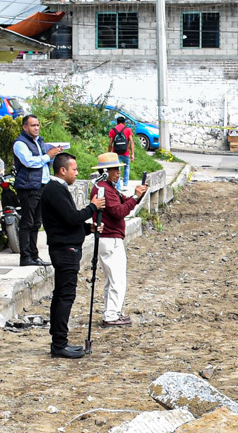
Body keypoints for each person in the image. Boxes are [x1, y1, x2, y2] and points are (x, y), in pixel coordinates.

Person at [40, 152, 99, 358]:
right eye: (74, 169)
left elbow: (66, 222)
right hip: (65, 250)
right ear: (62, 170)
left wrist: (87, 229)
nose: (76, 173)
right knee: (65, 296)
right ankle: (59, 343)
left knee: (61, 295)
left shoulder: (58, 189)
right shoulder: (55, 189)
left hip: (65, 246)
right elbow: (71, 217)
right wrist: (93, 208)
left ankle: (59, 339)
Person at [90, 151, 145, 326]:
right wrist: (135, 197)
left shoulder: (105, 187)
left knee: (111, 279)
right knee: (117, 279)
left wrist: (136, 198)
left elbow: (122, 203)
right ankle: (112, 315)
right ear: (105, 171)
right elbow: (119, 211)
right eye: (115, 170)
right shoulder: (105, 189)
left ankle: (111, 311)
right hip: (111, 238)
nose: (118, 173)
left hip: (107, 237)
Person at [11, 115, 67, 266]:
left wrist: (54, 154)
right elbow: (29, 162)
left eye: (37, 125)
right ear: (25, 127)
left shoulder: (39, 141)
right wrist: (47, 156)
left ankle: (34, 256)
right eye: (32, 125)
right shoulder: (20, 143)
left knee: (37, 223)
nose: (36, 128)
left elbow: (46, 161)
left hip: (41, 186)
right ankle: (25, 257)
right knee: (27, 222)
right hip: (28, 187)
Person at [107, 113, 135, 185]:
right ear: (124, 122)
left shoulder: (113, 130)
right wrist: (132, 154)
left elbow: (110, 143)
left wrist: (109, 153)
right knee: (127, 167)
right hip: (125, 152)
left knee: (117, 169)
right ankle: (125, 184)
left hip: (116, 153)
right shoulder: (128, 130)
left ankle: (118, 186)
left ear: (117, 122)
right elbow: (131, 141)